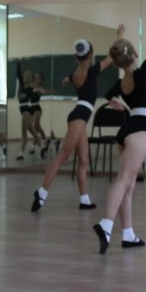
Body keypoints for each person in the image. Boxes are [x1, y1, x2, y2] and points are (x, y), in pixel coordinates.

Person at [92, 0, 146, 254]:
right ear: (134, 55)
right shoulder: (142, 74)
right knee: (124, 180)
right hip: (138, 132)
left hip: (127, 131)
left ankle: (128, 234)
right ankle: (106, 223)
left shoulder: (122, 82)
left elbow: (108, 94)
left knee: (130, 184)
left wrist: (114, 102)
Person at [32, 25, 124, 213]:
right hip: (80, 116)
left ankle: (84, 199)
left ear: (76, 56)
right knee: (63, 156)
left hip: (80, 116)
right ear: (90, 56)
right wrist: (119, 36)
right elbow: (111, 57)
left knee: (83, 160)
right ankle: (41, 193)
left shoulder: (76, 74)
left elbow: (70, 79)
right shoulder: (91, 71)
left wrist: (67, 79)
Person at [15, 62, 33, 161]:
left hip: (27, 111)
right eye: (25, 76)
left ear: (31, 79)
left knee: (24, 133)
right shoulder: (22, 85)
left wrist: (21, 96)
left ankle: (21, 153)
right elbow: (18, 74)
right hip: (23, 111)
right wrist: (19, 64)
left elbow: (25, 97)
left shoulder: (31, 89)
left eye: (28, 76)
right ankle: (41, 144)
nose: (25, 78)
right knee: (32, 131)